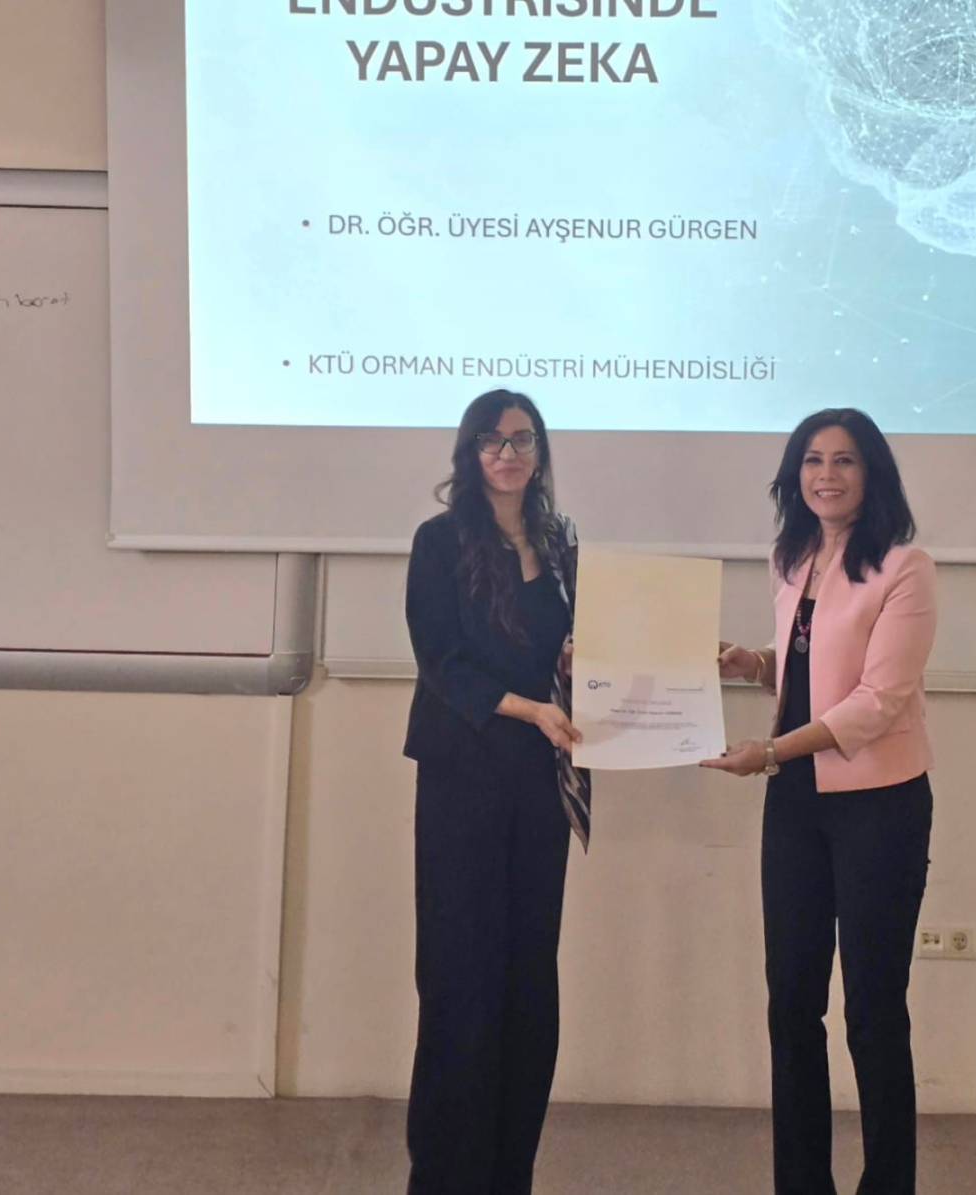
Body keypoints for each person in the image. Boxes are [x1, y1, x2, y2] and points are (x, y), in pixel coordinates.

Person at [703, 407, 937, 1195]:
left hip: (880, 806)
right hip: (796, 804)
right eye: (812, 460)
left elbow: (877, 701)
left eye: (844, 460)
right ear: (793, 474)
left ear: (872, 475)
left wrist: (770, 751)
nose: (826, 475)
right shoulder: (792, 556)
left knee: (874, 1011)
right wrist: (753, 662)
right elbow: (810, 667)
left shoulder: (905, 566)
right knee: (792, 1005)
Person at [401, 388, 590, 1195]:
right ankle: (446, 1176)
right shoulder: (439, 540)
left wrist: (582, 663)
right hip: (464, 777)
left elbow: (571, 649)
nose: (507, 453)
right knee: (460, 979)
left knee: (528, 982)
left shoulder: (562, 542)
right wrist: (530, 708)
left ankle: (511, 1173)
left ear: (540, 452)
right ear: (470, 452)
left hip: (542, 783)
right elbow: (441, 661)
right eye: (491, 440)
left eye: (521, 438)